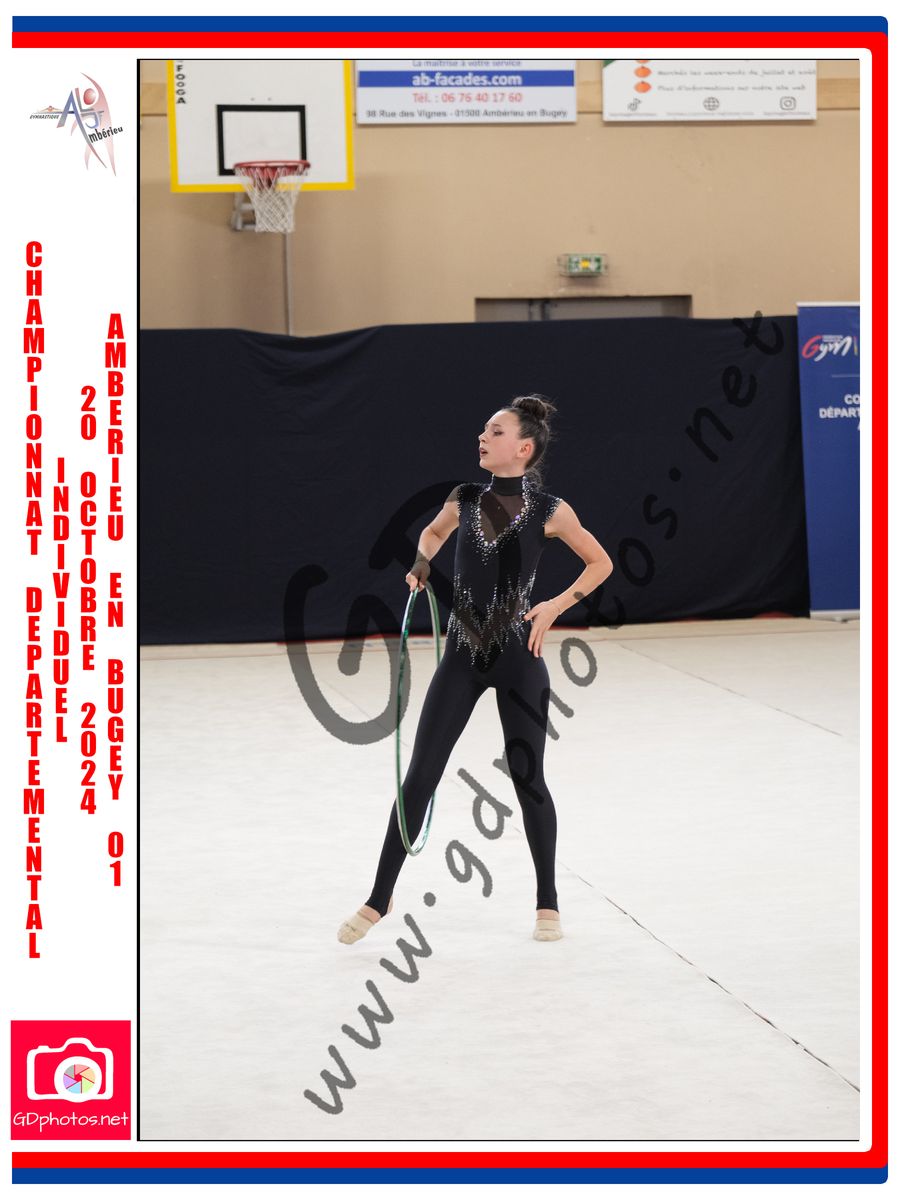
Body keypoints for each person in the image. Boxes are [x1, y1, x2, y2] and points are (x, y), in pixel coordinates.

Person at [337, 394, 613, 944]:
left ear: (524, 448)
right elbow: (433, 533)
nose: (482, 437)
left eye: (495, 431)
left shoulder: (551, 510)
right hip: (462, 660)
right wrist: (422, 561)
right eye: (484, 431)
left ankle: (548, 901)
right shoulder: (464, 498)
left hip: (519, 660)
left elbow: (600, 561)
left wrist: (555, 606)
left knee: (529, 779)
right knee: (419, 777)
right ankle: (379, 898)